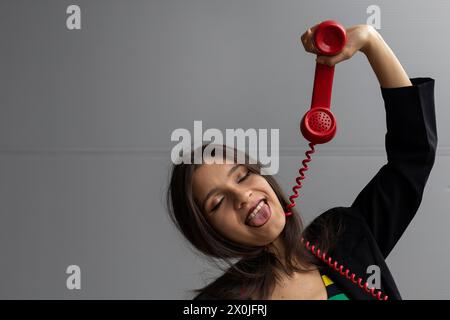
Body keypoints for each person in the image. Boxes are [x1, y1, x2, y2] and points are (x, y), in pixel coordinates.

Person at [166, 23, 437, 300]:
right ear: (206, 231)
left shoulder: (343, 236)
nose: (242, 195)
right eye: (217, 202)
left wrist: (370, 41)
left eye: (242, 175)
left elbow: (412, 156)